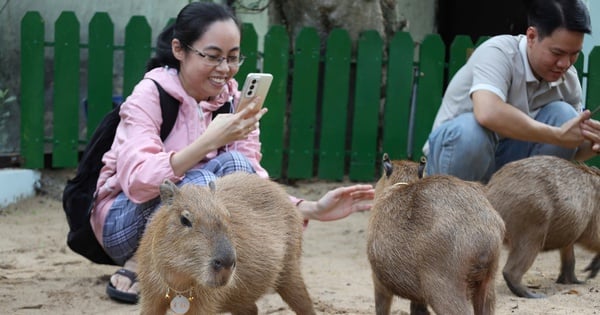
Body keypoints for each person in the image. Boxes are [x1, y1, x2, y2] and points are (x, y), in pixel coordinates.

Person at [91, 2, 375, 304]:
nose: (225, 69)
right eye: (212, 57)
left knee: (234, 165)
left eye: (233, 58)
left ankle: (216, 274)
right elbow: (138, 182)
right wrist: (205, 144)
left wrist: (308, 208)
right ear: (179, 49)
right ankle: (140, 265)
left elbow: (248, 184)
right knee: (199, 182)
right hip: (124, 220)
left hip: (196, 227)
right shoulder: (149, 95)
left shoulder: (234, 102)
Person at [423, 0, 600, 183]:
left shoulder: (568, 79)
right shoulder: (498, 53)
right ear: (531, 36)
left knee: (564, 115)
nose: (565, 63)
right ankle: (453, 208)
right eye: (557, 53)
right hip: (455, 162)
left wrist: (592, 143)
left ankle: (526, 207)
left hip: (509, 176)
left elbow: (568, 148)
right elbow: (487, 113)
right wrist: (557, 135)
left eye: (574, 54)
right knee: (471, 133)